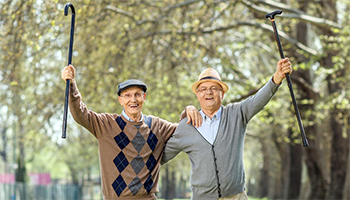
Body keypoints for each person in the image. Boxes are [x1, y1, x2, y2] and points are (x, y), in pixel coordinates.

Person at [61, 65, 202, 200]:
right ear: (120, 100)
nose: (133, 100)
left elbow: (183, 130)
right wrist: (71, 84)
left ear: (144, 98)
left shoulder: (157, 126)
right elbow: (80, 113)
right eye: (127, 95)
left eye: (137, 95)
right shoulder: (107, 125)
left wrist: (188, 110)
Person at [162, 58, 293, 200]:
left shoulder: (236, 114)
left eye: (214, 88)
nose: (209, 93)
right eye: (203, 89)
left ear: (222, 94)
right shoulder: (186, 126)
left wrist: (277, 78)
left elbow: (257, 100)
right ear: (197, 95)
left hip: (236, 196)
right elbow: (160, 156)